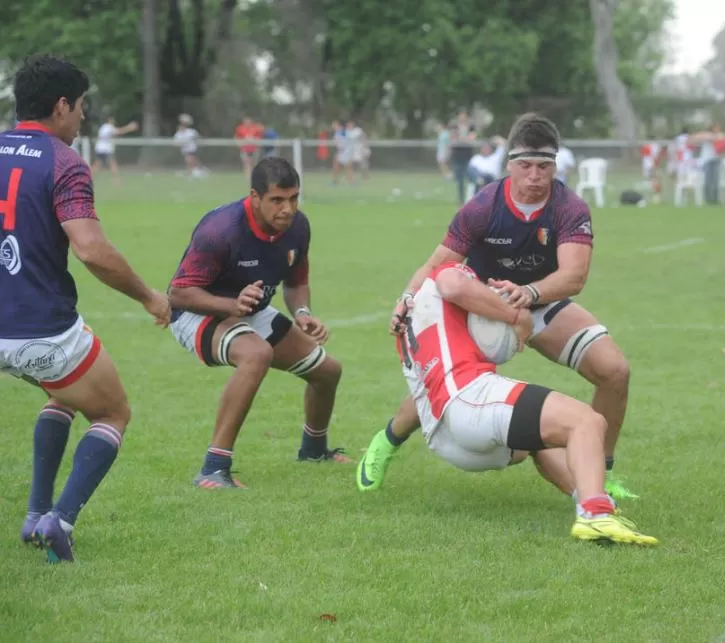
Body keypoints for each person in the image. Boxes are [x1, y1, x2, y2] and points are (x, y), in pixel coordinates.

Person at [359, 112, 637, 500]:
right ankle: (388, 440)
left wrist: (531, 295)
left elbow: (574, 276)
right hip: (483, 310)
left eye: (544, 166)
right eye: (525, 166)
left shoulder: (569, 208)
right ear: (509, 165)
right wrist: (406, 299)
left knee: (615, 371)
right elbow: (440, 264)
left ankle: (601, 473)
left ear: (556, 166)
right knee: (450, 385)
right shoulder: (484, 206)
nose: (535, 176)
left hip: (539, 301)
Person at [0, 55, 171, 563]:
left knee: (63, 395)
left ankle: (34, 514)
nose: (83, 118)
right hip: (41, 330)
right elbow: (92, 250)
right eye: (81, 107)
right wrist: (148, 296)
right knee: (113, 411)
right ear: (61, 106)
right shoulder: (62, 160)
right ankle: (60, 519)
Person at [364, 259, 657, 545]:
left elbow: (421, 393)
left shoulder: (409, 318)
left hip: (445, 439)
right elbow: (453, 284)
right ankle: (595, 515)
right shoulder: (452, 272)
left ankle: (594, 502)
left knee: (542, 438)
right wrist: (516, 317)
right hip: (471, 399)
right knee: (587, 421)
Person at [167, 157, 351, 489]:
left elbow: (295, 284)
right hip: (197, 313)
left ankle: (313, 450)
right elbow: (177, 294)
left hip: (249, 309)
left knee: (328, 371)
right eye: (277, 200)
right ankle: (213, 470)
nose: (288, 209)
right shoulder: (221, 229)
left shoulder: (298, 228)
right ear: (255, 196)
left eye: (294, 198)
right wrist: (231, 304)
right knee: (256, 355)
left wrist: (304, 314)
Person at [91, 115, 139, 183]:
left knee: (97, 164)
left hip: (100, 148)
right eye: (112, 119)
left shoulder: (104, 127)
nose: (113, 121)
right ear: (109, 120)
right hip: (105, 149)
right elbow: (119, 131)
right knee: (112, 163)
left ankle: (89, 178)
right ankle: (116, 179)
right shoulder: (108, 127)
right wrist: (129, 127)